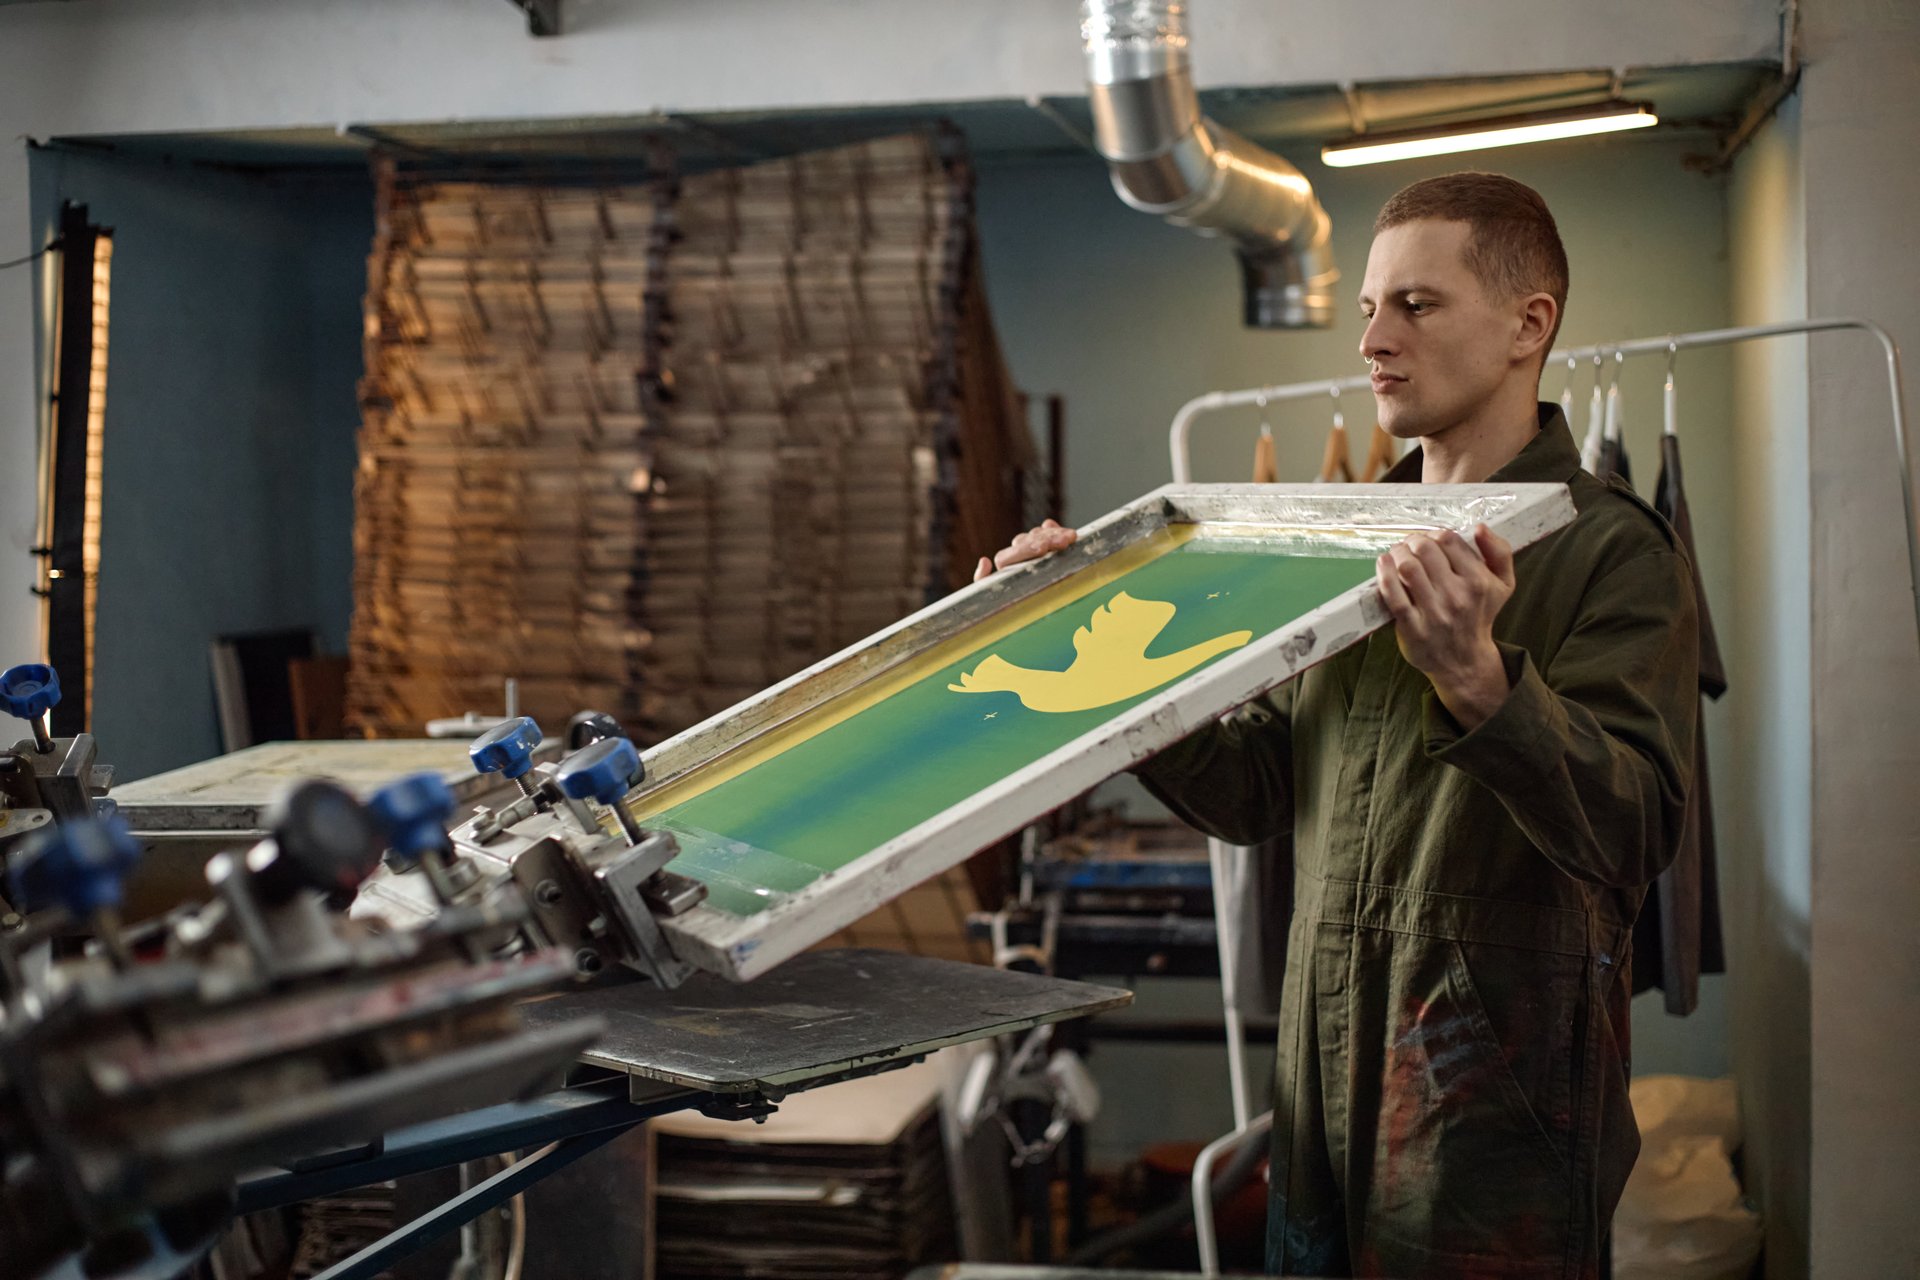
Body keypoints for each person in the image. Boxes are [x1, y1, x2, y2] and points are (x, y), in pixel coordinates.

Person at [977, 173, 1699, 1278]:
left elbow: (1635, 830)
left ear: (1529, 324)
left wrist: (1482, 680)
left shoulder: (1614, 553)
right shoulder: (1336, 543)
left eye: (1415, 305)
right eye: (1368, 307)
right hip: (1319, 1096)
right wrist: (1096, 665)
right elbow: (1257, 787)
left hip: (1493, 1121)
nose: (1374, 338)